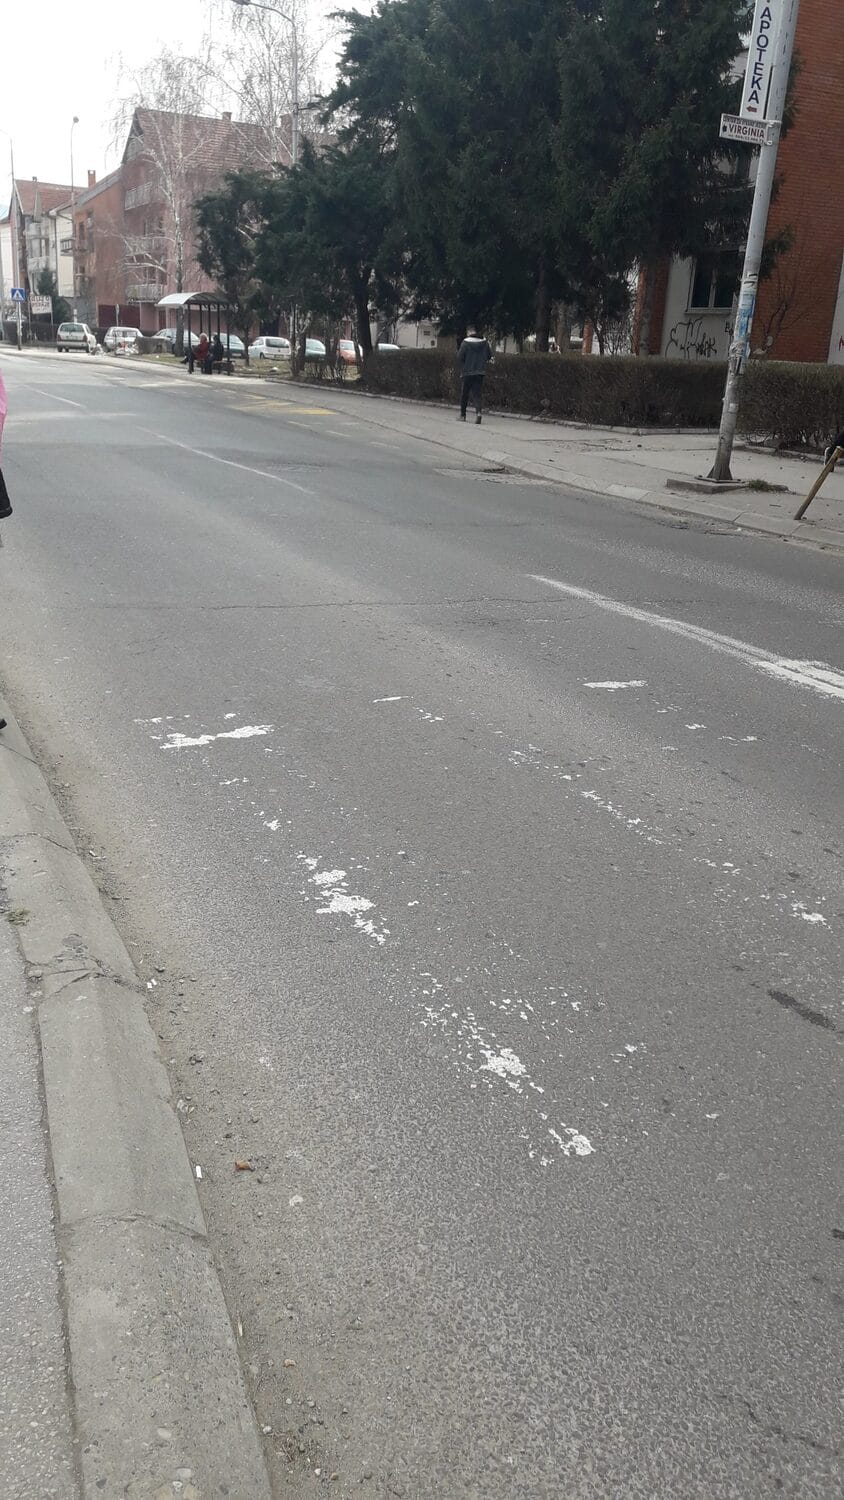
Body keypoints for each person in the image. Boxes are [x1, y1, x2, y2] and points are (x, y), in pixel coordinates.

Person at [457, 326, 494, 424]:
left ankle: (463, 415)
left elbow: (460, 357)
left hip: (467, 372)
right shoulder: (485, 343)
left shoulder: (465, 343)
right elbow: (489, 356)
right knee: (477, 394)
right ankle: (478, 413)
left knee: (464, 394)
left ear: (470, 332)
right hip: (480, 372)